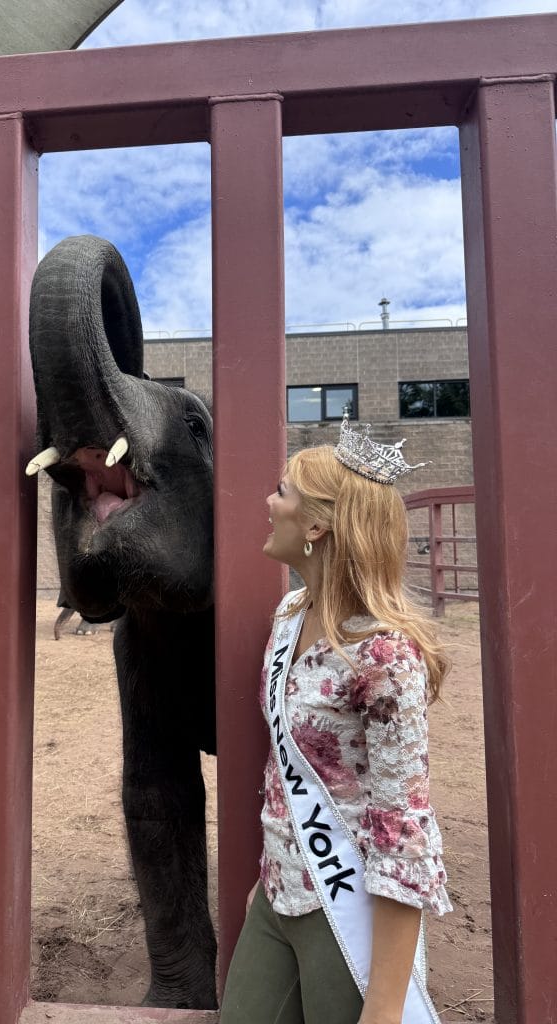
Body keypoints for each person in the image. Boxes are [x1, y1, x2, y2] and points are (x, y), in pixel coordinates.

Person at [220, 418, 452, 1024]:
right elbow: (285, 768)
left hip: (346, 908)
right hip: (278, 896)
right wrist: (269, 872)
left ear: (317, 526)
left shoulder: (386, 656)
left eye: (282, 492)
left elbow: (402, 832)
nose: (268, 502)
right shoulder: (290, 614)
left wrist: (384, 1009)